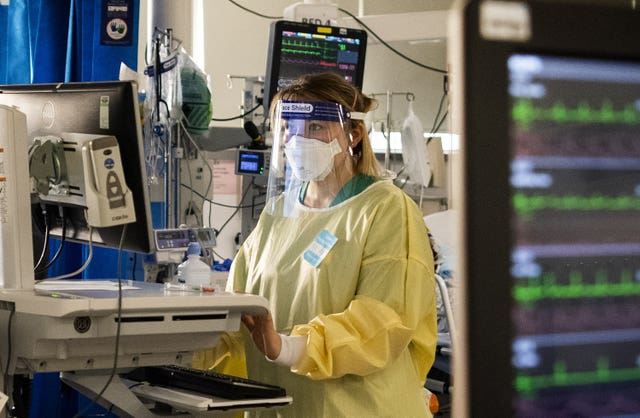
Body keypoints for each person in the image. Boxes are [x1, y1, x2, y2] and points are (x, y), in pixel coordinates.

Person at [193, 72, 437, 417]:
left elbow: (381, 323)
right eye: (290, 129)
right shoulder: (278, 213)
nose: (298, 140)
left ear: (353, 134)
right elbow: (240, 313)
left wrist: (288, 347)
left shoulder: (385, 209)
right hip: (284, 406)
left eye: (316, 128)